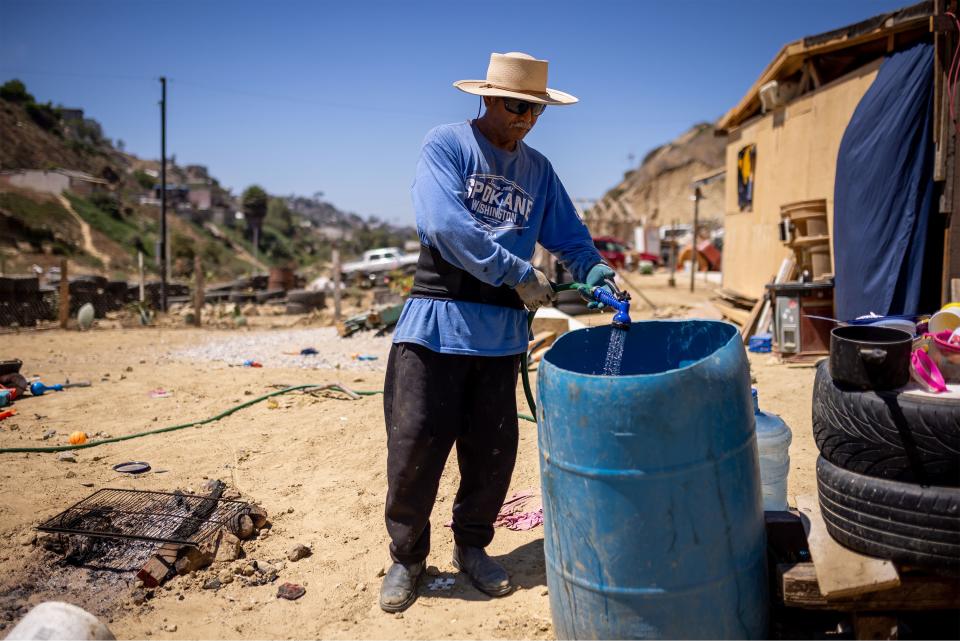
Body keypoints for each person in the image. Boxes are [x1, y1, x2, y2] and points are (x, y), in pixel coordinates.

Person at [379, 51, 617, 613]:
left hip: (501, 339)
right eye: (517, 107)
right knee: (414, 451)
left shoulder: (539, 170)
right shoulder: (448, 145)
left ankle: (473, 547)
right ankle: (408, 557)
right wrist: (519, 273)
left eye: (535, 110)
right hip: (436, 327)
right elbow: (443, 226)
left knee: (491, 455)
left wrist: (596, 271)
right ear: (486, 98)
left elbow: (572, 238)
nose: (526, 120)